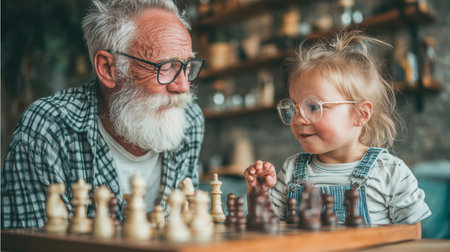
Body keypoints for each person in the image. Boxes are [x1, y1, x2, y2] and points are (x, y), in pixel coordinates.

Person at [1, 0, 205, 229]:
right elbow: (31, 245)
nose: (184, 86)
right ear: (109, 69)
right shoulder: (47, 128)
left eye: (187, 66)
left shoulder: (191, 120)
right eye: (166, 67)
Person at [244, 30, 431, 225]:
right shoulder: (291, 170)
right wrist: (258, 194)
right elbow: (268, 229)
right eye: (294, 107)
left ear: (360, 114)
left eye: (314, 106)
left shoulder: (391, 171)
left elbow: (412, 236)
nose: (298, 119)